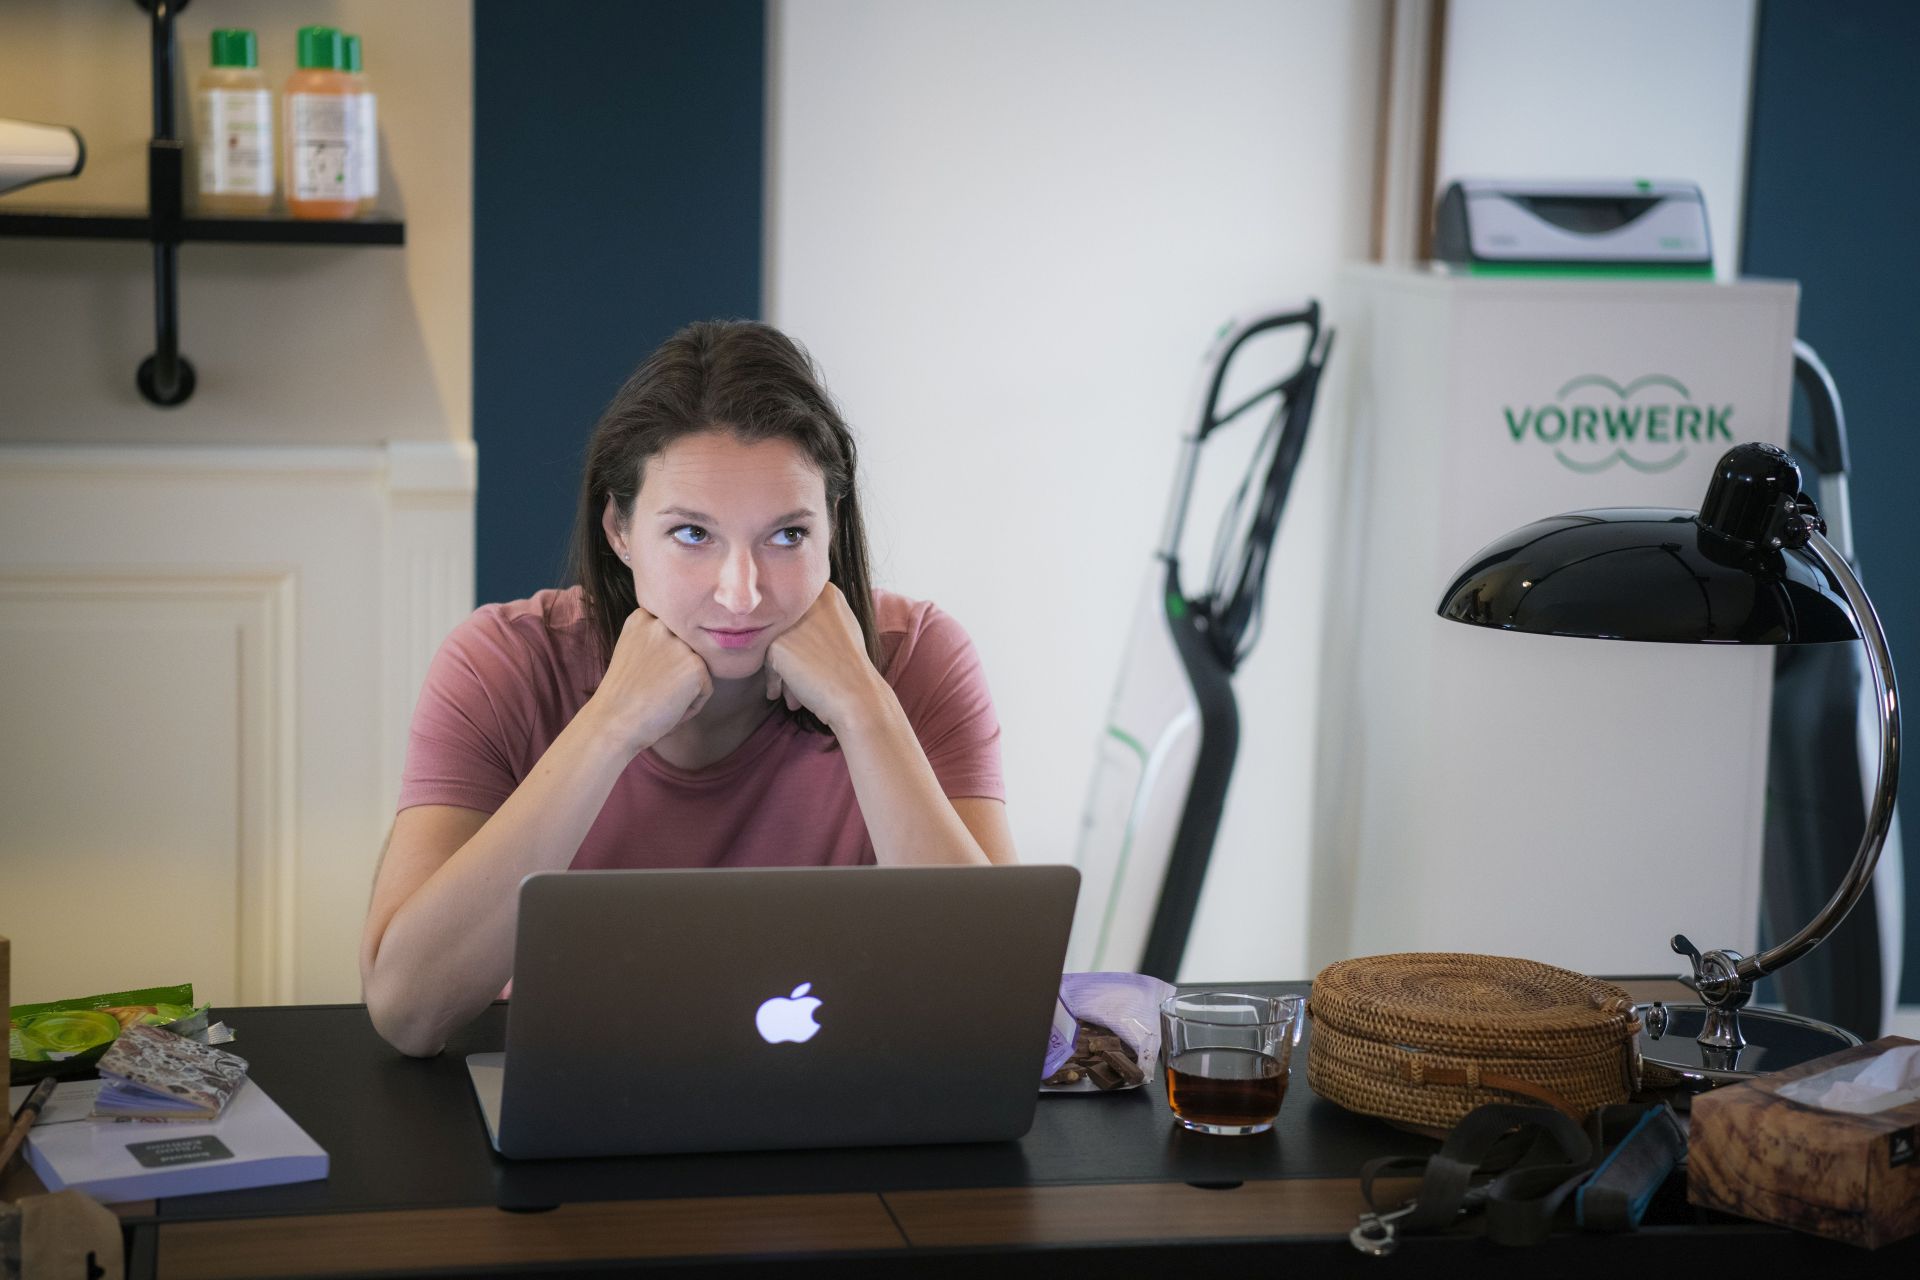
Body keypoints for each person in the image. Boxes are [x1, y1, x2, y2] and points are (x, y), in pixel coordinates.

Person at [361, 320, 1016, 1057]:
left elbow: (997, 1007)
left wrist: (866, 709)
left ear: (832, 528)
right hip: (583, 1087)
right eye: (693, 535)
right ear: (619, 529)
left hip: (851, 1099)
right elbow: (408, 1012)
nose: (741, 592)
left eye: (788, 536)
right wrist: (610, 725)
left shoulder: (920, 657)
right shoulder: (501, 664)